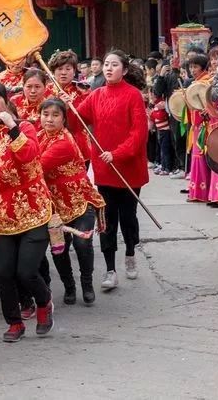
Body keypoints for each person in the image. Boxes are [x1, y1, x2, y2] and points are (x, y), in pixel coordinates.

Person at [0, 81, 54, 342]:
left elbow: (30, 155)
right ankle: (14, 322)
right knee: (4, 273)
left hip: (32, 207)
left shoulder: (26, 127)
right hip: (1, 213)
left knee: (26, 272)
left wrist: (12, 127)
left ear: (6, 101)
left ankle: (44, 304)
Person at [72, 50, 148, 290]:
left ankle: (130, 253)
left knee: (128, 217)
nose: (108, 68)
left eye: (114, 65)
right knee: (106, 221)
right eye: (106, 64)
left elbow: (139, 134)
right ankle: (110, 269)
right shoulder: (96, 95)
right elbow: (76, 122)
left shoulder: (133, 96)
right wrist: (68, 106)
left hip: (127, 168)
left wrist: (118, 153)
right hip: (104, 169)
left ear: (124, 70)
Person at [38, 98, 105, 306]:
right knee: (59, 247)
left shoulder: (63, 143)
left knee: (82, 242)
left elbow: (37, 167)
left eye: (55, 115)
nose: (49, 119)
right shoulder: (39, 136)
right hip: (55, 206)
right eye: (45, 114)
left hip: (79, 200)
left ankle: (86, 283)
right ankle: (69, 286)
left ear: (64, 119)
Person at [47, 50, 91, 163]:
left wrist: (68, 109)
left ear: (74, 70)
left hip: (78, 144)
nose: (63, 73)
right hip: (49, 144)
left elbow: (84, 121)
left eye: (68, 69)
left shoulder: (82, 91)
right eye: (59, 69)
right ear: (53, 71)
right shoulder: (45, 91)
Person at [186, 54, 214, 203]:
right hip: (196, 124)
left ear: (203, 68)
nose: (192, 70)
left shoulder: (207, 82)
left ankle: (202, 192)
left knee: (201, 156)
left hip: (204, 124)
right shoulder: (196, 82)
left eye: (195, 67)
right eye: (191, 67)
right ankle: (197, 191)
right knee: (197, 156)